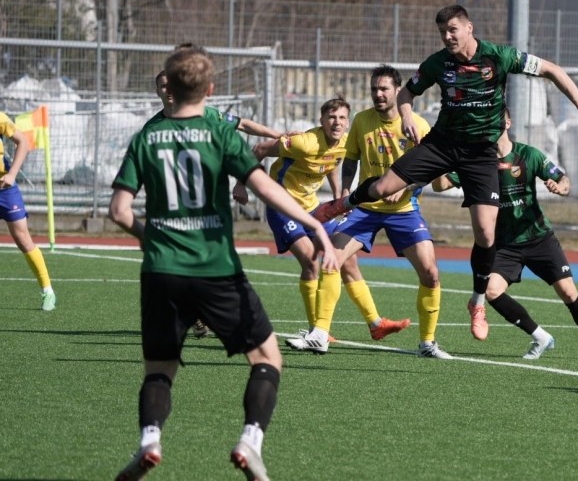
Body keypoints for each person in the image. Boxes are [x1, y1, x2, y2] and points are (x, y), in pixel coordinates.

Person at [109, 46, 335, 481]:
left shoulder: (146, 138)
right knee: (267, 356)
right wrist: (314, 224)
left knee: (159, 369)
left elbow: (119, 211)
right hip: (215, 268)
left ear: (168, 88)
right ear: (210, 90)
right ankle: (250, 441)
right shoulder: (218, 133)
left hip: (161, 270)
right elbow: (265, 187)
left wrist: (151, 238)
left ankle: (150, 440)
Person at [319, 4, 578, 342]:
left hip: (480, 154)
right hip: (442, 144)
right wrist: (407, 115)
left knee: (486, 233)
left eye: (452, 29)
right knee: (382, 187)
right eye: (442, 32)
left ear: (469, 28)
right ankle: (343, 203)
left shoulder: (499, 56)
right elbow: (407, 92)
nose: (447, 37)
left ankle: (478, 302)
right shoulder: (438, 63)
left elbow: (552, 70)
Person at [296, 65, 450, 358]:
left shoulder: (418, 125)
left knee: (431, 273)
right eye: (374, 89)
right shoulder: (361, 120)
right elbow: (351, 159)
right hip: (365, 208)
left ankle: (427, 344)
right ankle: (320, 334)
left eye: (384, 89)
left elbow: (429, 171)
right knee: (332, 258)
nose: (378, 94)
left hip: (404, 210)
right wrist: (344, 194)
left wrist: (404, 188)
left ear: (398, 91)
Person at [432, 109, 578, 362]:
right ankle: (541, 337)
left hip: (538, 237)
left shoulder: (528, 155)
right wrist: (443, 156)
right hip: (504, 245)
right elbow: (439, 185)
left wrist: (560, 188)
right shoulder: (477, 162)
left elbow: (563, 180)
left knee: (568, 292)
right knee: (491, 291)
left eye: (494, 120)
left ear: (507, 122)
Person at [254, 97, 409, 352]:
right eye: (331, 117)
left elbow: (332, 164)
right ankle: (317, 331)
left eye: (342, 118)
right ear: (322, 120)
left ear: (348, 122)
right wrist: (242, 184)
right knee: (311, 260)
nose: (337, 122)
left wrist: (339, 198)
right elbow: (259, 148)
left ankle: (376, 323)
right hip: (282, 208)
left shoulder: (345, 142)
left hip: (312, 209)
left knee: (346, 259)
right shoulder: (304, 142)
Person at [155, 67, 286, 339]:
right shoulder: (154, 129)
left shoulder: (207, 114)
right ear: (157, 91)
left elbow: (243, 125)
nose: (169, 90)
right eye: (163, 86)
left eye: (172, 84)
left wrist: (279, 136)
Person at [0, 111, 56, 310]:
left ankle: (47, 291)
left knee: (23, 239)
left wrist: (12, 174)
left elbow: (22, 142)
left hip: (5, 188)